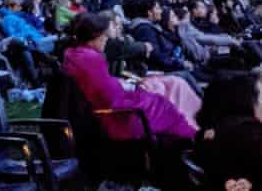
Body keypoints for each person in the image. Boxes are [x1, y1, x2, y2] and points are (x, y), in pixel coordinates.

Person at [63, 12, 195, 144]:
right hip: (115, 118)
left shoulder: (77, 55)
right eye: (104, 36)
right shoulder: (90, 59)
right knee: (162, 106)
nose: (106, 39)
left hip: (109, 109)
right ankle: (189, 142)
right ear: (95, 36)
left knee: (158, 100)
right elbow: (109, 97)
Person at [196, 74, 262, 190]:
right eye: (257, 96)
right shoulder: (250, 133)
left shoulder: (208, 133)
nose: (259, 102)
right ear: (244, 99)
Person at [128, 0, 202, 95]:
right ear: (149, 12)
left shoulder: (149, 27)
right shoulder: (145, 30)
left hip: (163, 66)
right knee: (186, 74)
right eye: (158, 8)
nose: (160, 11)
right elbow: (155, 56)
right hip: (155, 71)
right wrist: (179, 64)